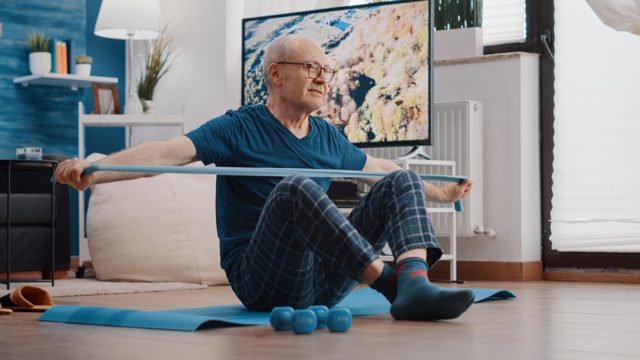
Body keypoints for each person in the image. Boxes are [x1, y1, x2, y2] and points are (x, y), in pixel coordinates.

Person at [56, 36, 475, 320]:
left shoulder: (328, 136)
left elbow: (382, 171)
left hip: (325, 279)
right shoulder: (237, 128)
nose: (322, 79)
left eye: (326, 71)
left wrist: (439, 191)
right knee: (295, 187)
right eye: (311, 67)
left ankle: (414, 284)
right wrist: (94, 172)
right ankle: (390, 286)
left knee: (398, 178)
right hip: (263, 281)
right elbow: (166, 152)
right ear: (276, 73)